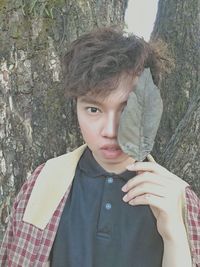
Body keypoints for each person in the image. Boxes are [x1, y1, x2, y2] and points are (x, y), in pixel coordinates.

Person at [0, 27, 199, 267]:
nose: (111, 131)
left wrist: (174, 234)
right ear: (76, 108)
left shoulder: (179, 199)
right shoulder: (42, 183)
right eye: (94, 109)